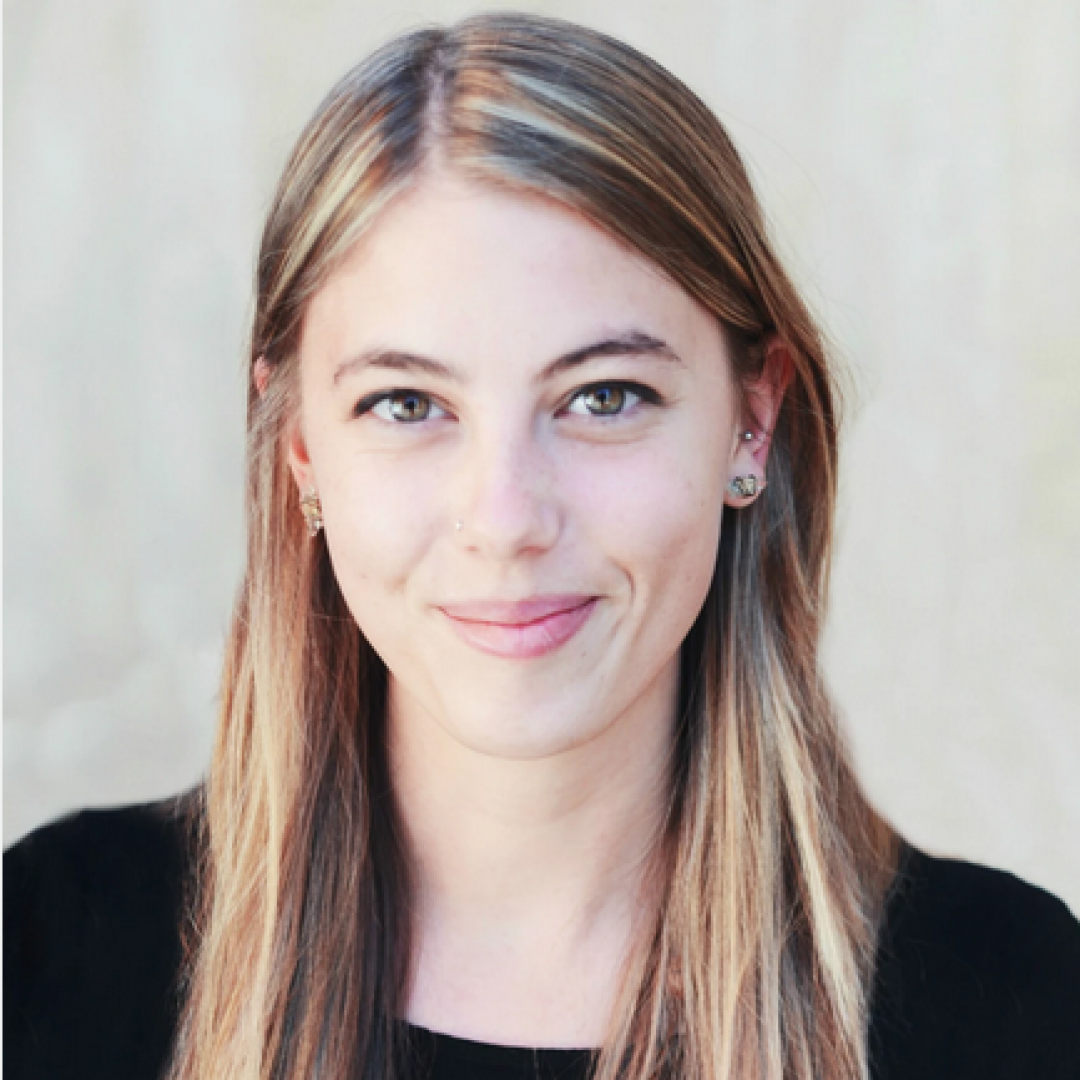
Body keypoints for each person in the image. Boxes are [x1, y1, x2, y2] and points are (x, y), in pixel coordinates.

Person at [5, 11, 1080, 1080]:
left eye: (603, 397)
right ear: (298, 451)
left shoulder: (1009, 1003)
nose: (508, 518)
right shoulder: (51, 956)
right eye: (405, 403)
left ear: (752, 422)